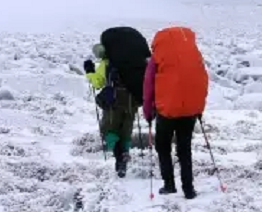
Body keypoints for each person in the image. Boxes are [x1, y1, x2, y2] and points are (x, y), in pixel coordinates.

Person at [142, 26, 209, 199]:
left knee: (163, 146)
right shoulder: (194, 55)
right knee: (184, 148)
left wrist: (148, 112)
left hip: (167, 110)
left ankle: (169, 185)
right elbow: (203, 81)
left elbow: (149, 87)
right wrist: (198, 108)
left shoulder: (157, 58)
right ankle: (189, 189)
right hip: (190, 111)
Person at [84, 27, 151, 177]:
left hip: (114, 102)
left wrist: (89, 71)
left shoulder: (108, 63)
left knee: (110, 130)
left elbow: (98, 83)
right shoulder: (138, 64)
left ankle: (119, 159)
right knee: (126, 130)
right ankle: (124, 154)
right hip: (132, 102)